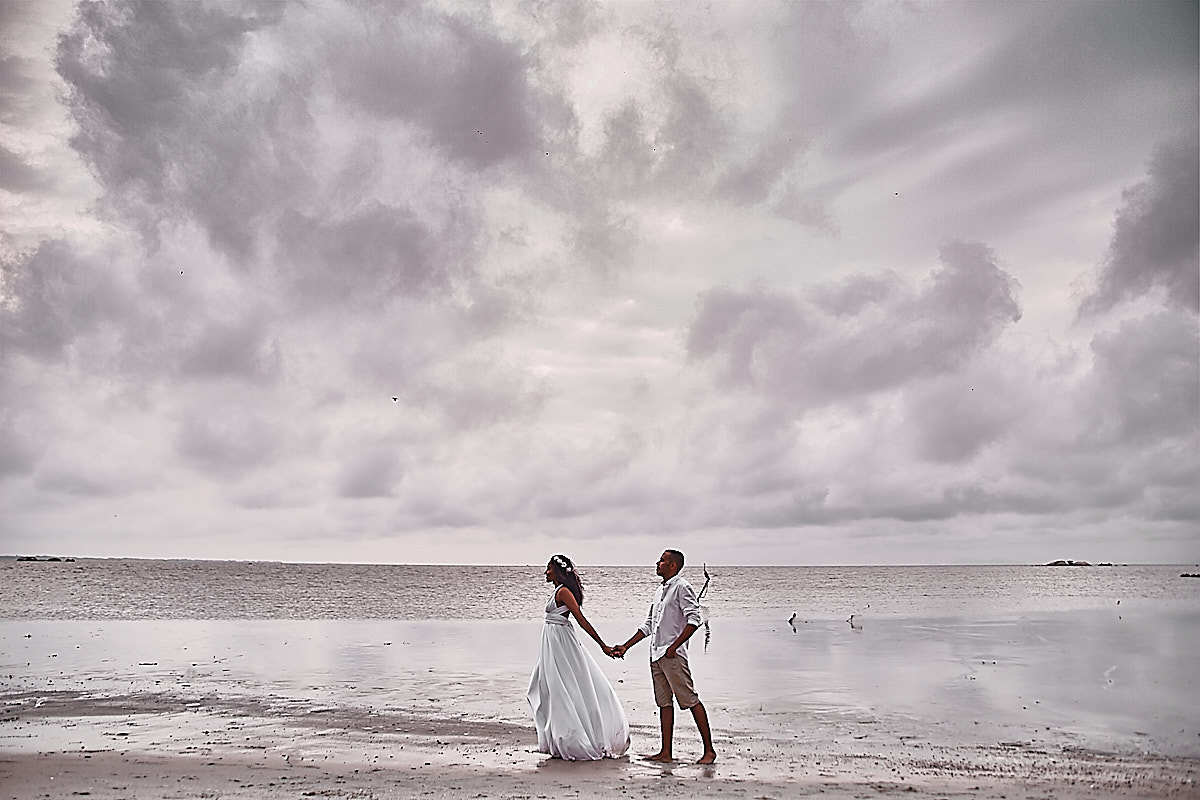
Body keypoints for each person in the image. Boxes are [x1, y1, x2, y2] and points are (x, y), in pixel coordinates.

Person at [611, 549, 716, 764]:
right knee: (664, 703)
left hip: (673, 656)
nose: (657, 563)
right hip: (656, 654)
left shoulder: (682, 587)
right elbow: (649, 624)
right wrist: (626, 646)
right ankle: (665, 752)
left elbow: (694, 620)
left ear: (673, 566)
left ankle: (709, 751)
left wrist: (674, 646)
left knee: (690, 700)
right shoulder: (660, 590)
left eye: (662, 561)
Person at [526, 554, 630, 760]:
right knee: (547, 687)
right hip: (552, 644)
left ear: (557, 571)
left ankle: (571, 738)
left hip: (561, 643)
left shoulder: (563, 592)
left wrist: (602, 645)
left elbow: (581, 620)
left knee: (563, 687)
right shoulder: (558, 590)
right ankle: (558, 737)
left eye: (549, 568)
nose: (546, 572)